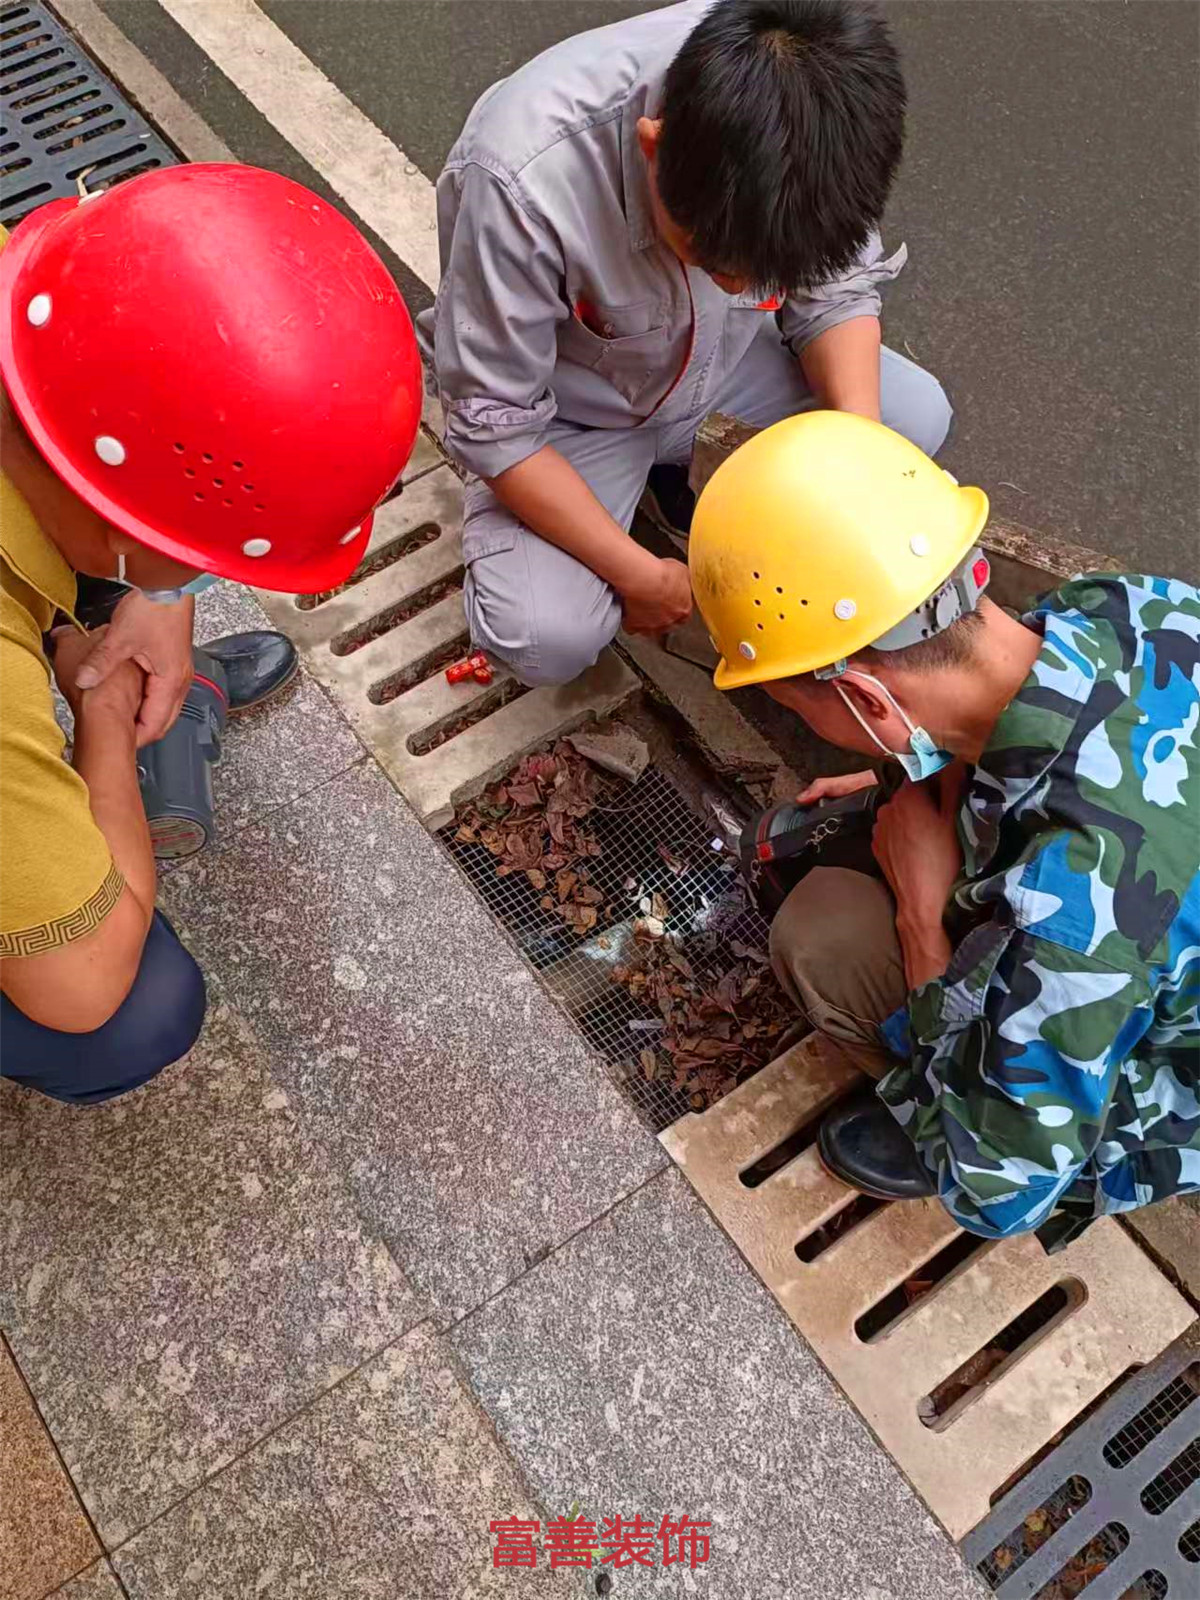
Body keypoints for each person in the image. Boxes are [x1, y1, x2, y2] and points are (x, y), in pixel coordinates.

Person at [689, 409, 1199, 1246]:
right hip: (1151, 921)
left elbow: (1001, 1201)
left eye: (792, 703)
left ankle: (945, 1112)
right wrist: (897, 766)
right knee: (848, 833)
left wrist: (921, 921)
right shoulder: (1130, 606)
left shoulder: (1074, 924)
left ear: (865, 697)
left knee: (826, 941)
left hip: (1163, 1085)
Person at [0, 163, 422, 1104]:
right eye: (200, 560)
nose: (204, 579)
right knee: (135, 1014)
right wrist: (102, 716)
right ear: (121, 522)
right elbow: (83, 983)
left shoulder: (34, 294)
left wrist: (154, 593)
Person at [420, 0, 950, 689]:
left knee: (911, 422)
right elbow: (497, 424)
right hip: (578, 417)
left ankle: (682, 479)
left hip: (724, 367)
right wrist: (640, 577)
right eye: (713, 263)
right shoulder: (521, 178)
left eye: (765, 276)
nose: (741, 286)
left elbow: (836, 294)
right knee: (543, 640)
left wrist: (856, 466)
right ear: (652, 144)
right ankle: (644, 490)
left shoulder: (817, 110)